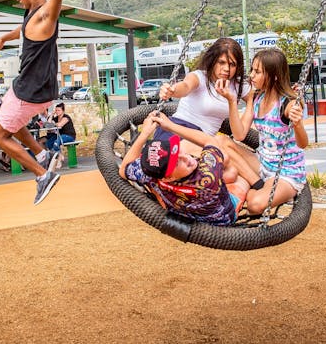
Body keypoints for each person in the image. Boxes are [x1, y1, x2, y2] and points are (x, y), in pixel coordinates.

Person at [0, 0, 102, 205]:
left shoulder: (46, 15)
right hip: (29, 86)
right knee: (7, 118)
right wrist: (4, 38)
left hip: (32, 89)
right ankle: (41, 155)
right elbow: (22, 32)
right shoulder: (30, 14)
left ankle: (41, 175)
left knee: (0, 136)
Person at [118, 108, 252, 226]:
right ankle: (254, 184)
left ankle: (161, 193)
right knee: (233, 171)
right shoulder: (207, 175)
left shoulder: (149, 174)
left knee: (223, 168)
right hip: (221, 217)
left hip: (180, 205)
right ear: (168, 177)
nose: (186, 158)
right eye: (177, 162)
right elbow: (210, 141)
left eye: (177, 151)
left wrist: (144, 134)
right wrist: (170, 126)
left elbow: (124, 169)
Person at [225, 48, 308, 215]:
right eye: (252, 70)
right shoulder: (257, 98)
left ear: (274, 76)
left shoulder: (288, 104)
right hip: (262, 162)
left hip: (285, 171)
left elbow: (303, 144)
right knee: (222, 142)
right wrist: (232, 102)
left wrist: (297, 124)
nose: (251, 76)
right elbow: (240, 135)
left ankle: (253, 188)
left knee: (255, 205)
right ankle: (255, 184)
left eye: (257, 72)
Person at [158, 37, 251, 137]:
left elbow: (257, 99)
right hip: (178, 128)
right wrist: (172, 90)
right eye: (222, 62)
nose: (226, 69)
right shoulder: (200, 77)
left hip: (202, 140)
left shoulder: (238, 86)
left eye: (232, 64)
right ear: (213, 60)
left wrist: (236, 102)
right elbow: (185, 86)